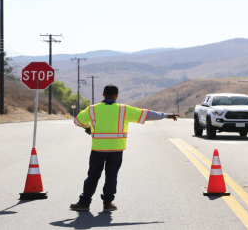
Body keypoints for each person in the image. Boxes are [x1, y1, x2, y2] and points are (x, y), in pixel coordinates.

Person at [70, 84, 178, 212]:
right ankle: (108, 203)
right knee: (111, 176)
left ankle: (84, 203)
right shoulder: (124, 110)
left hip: (98, 149)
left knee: (93, 175)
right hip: (116, 150)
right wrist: (166, 115)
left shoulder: (93, 109)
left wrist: (88, 127)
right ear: (116, 96)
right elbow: (146, 114)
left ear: (103, 95)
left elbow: (77, 121)